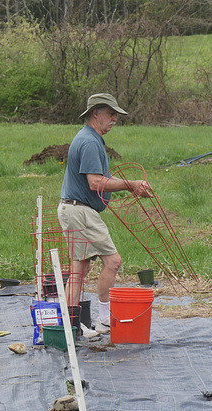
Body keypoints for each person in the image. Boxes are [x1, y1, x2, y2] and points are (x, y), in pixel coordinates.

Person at [57, 93, 153, 334]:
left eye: (116, 115)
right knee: (113, 261)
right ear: (95, 113)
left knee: (81, 269)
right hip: (80, 211)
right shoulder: (89, 142)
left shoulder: (90, 138)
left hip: (75, 209)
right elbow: (95, 182)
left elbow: (102, 180)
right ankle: (101, 320)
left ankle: (71, 325)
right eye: (111, 114)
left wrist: (131, 186)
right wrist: (131, 184)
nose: (115, 119)